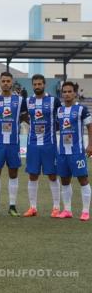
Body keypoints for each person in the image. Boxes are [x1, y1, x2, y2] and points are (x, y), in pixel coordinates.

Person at [0, 72, 28, 217]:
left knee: (13, 173)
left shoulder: (20, 100)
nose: (6, 83)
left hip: (13, 143)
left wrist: (36, 124)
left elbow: (23, 117)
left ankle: (12, 206)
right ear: (0, 82)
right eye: (3, 81)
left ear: (12, 82)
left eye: (8, 81)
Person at [23, 74, 62, 218]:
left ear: (44, 84)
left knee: (52, 175)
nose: (37, 86)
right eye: (35, 84)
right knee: (33, 175)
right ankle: (33, 207)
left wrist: (52, 128)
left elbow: (63, 117)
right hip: (33, 144)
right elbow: (23, 116)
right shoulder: (27, 101)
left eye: (40, 84)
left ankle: (56, 207)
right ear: (32, 85)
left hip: (49, 144)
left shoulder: (53, 100)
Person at [56, 81, 92, 221]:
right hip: (63, 152)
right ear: (62, 94)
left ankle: (85, 211)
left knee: (83, 180)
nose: (67, 94)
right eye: (64, 92)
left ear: (75, 93)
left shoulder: (82, 109)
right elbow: (57, 127)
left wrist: (90, 145)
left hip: (77, 151)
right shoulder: (59, 111)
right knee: (64, 181)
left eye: (70, 91)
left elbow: (90, 127)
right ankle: (67, 210)